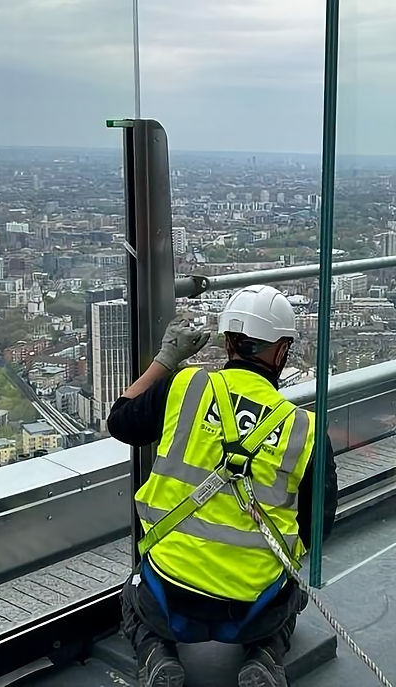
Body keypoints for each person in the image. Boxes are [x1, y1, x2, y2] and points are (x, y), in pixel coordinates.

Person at [108, 285, 338, 687]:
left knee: (132, 592)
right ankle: (264, 657)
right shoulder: (305, 429)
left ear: (227, 341)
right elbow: (317, 529)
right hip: (251, 609)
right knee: (292, 595)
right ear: (281, 352)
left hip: (170, 594)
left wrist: (166, 360)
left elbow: (121, 421)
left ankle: (157, 657)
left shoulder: (183, 387)